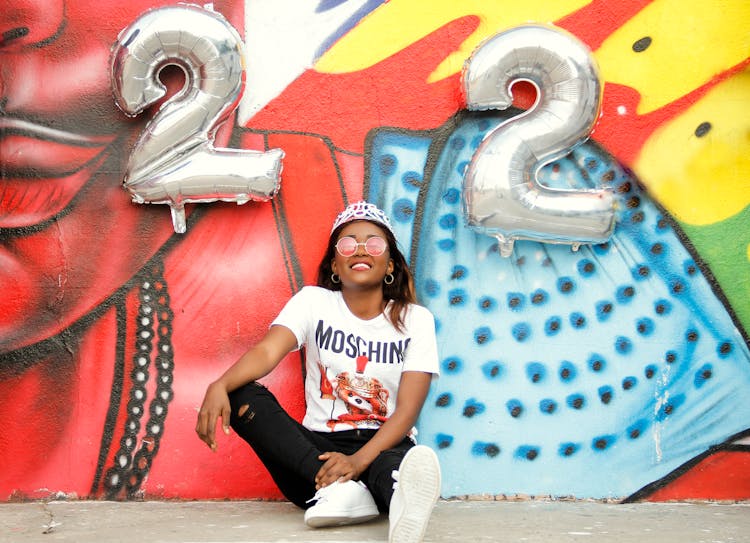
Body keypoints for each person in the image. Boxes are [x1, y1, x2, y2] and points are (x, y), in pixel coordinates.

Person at [196, 201, 442, 542]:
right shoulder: (313, 302)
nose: (360, 250)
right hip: (315, 453)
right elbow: (268, 351)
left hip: (382, 443)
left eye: (374, 243)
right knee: (240, 391)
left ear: (390, 264)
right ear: (335, 266)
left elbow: (407, 411)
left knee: (391, 470)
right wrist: (219, 385)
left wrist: (357, 463)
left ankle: (400, 502)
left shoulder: (416, 319)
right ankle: (340, 493)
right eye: (347, 243)